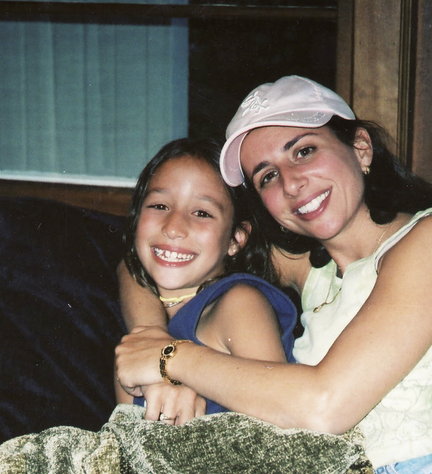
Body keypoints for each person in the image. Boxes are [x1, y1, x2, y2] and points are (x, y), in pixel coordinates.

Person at [115, 76, 432, 473]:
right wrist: (149, 336)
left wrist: (172, 359)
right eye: (267, 176)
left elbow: (326, 405)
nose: (290, 183)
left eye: (304, 151)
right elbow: (151, 259)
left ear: (360, 147)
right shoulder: (315, 271)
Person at [116, 137, 297, 423]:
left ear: (236, 240)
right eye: (160, 206)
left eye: (202, 213)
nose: (173, 228)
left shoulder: (239, 303)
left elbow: (280, 418)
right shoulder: (137, 340)